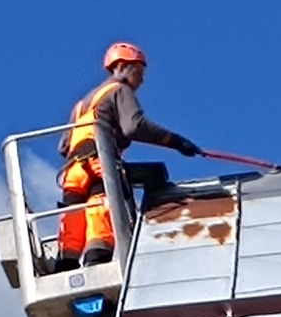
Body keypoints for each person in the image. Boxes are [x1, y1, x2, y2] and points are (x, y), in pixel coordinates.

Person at [57, 41, 202, 267]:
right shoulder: (119, 90)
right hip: (98, 165)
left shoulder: (82, 104)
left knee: (73, 220)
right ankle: (97, 265)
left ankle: (65, 266)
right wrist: (175, 141)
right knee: (100, 218)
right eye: (139, 71)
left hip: (73, 171)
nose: (141, 79)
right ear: (123, 66)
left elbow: (63, 146)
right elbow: (134, 127)